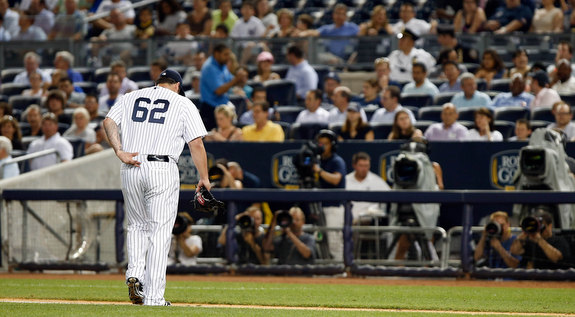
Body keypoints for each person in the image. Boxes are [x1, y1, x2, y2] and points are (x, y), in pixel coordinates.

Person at [103, 68, 210, 306]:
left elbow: (108, 121)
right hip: (161, 167)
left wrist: (118, 150)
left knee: (137, 226)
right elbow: (196, 144)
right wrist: (203, 176)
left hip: (131, 164)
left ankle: (134, 274)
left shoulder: (130, 96)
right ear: (177, 85)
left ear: (157, 82)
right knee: (160, 232)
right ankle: (153, 296)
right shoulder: (182, 103)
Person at [313, 129, 346, 261]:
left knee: (334, 242)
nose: (322, 146)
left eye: (325, 144)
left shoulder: (336, 161)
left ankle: (340, 269)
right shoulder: (318, 160)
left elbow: (336, 179)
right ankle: (326, 270)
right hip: (320, 208)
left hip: (334, 208)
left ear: (332, 145)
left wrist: (319, 171)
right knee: (319, 240)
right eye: (320, 143)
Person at [200, 43, 248, 131]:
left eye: (228, 54)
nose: (228, 57)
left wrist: (241, 78)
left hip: (222, 107)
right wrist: (236, 79)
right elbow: (219, 90)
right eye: (225, 54)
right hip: (210, 109)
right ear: (217, 54)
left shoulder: (222, 65)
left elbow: (230, 80)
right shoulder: (209, 68)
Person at [345, 152, 390, 222]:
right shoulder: (346, 180)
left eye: (366, 166)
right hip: (349, 222)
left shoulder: (377, 181)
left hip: (370, 223)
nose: (364, 169)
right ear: (354, 165)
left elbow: (390, 196)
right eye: (361, 166)